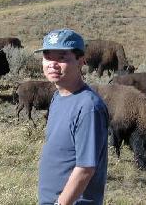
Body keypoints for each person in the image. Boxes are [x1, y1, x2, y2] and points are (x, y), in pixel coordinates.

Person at [35, 28, 109, 205]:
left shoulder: (89, 107)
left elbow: (85, 168)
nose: (52, 64)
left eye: (62, 58)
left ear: (81, 60)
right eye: (48, 57)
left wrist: (62, 203)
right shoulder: (58, 97)